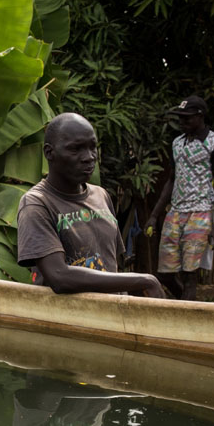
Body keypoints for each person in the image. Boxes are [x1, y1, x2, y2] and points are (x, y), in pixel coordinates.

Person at [17, 113, 163, 298]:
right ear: (49, 152)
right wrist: (144, 280)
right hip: (69, 320)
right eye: (75, 149)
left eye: (92, 147)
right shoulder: (37, 204)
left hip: (112, 315)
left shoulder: (101, 196)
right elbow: (59, 277)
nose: (89, 157)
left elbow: (113, 264)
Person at [144, 95, 214, 301]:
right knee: (164, 273)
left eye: (187, 118)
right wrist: (154, 216)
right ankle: (188, 304)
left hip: (200, 212)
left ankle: (186, 312)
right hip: (175, 212)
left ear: (200, 116)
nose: (182, 122)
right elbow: (171, 181)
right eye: (180, 118)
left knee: (190, 273)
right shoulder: (177, 143)